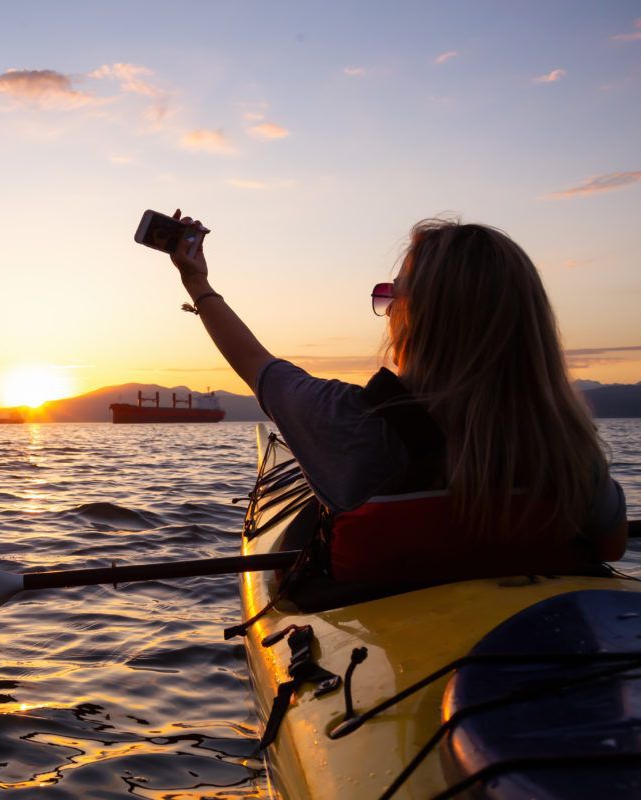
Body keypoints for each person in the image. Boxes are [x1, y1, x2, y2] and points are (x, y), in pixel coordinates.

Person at [167, 209, 627, 583]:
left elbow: (258, 367)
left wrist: (198, 285)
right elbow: (612, 545)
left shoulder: (352, 424)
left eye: (391, 300)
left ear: (415, 319)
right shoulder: (572, 447)